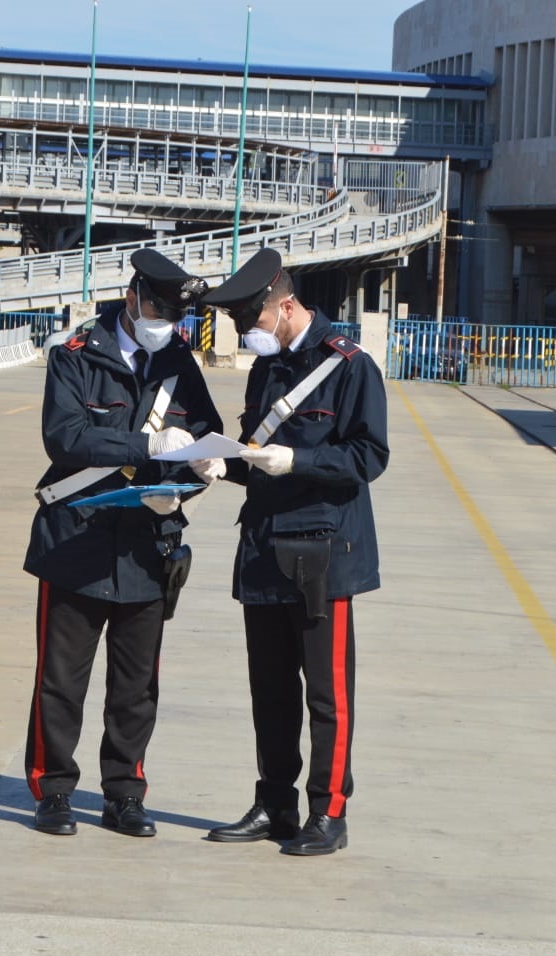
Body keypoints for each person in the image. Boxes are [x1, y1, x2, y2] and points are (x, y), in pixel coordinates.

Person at [194, 248, 388, 856]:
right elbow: (257, 457)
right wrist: (218, 465)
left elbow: (368, 457)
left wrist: (300, 459)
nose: (246, 335)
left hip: (322, 553)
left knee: (327, 694)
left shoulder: (351, 367)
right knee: (270, 688)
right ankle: (275, 802)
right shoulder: (267, 370)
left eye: (250, 323)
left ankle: (328, 810)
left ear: (284, 306)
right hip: (263, 548)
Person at [24, 248, 224, 837]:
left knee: (136, 685)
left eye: (176, 315)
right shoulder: (77, 357)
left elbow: (201, 439)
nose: (168, 322)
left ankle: (124, 793)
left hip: (147, 544)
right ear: (134, 297)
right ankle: (53, 789)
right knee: (61, 680)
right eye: (160, 308)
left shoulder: (179, 365)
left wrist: (190, 485)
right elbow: (66, 439)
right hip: (77, 538)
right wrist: (147, 450)